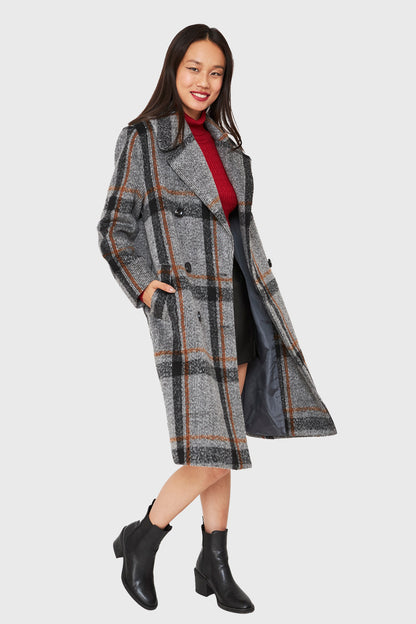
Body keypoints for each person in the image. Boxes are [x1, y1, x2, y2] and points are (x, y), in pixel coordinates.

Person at [97, 24, 337, 614]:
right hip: (189, 311)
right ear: (173, 70)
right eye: (194, 68)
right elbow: (114, 227)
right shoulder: (145, 139)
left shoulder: (231, 150)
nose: (204, 81)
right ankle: (145, 538)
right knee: (212, 447)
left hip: (240, 307)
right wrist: (144, 288)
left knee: (222, 442)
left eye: (216, 72)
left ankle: (215, 559)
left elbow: (240, 233)